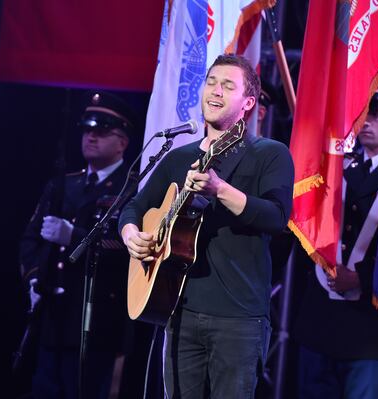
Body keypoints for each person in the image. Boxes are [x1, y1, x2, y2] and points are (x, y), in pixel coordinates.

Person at [119, 54, 294, 399]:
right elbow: (135, 207)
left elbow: (276, 217)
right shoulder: (178, 157)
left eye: (228, 86)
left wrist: (221, 189)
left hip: (238, 319)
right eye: (211, 82)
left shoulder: (269, 154)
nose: (215, 91)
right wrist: (130, 234)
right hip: (179, 310)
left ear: (247, 103)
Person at [19, 90, 137, 398]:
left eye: (101, 132)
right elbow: (31, 238)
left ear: (122, 141)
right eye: (87, 130)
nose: (91, 138)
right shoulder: (63, 184)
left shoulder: (131, 189)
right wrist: (33, 279)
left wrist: (75, 235)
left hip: (95, 319)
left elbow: (127, 248)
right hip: (51, 314)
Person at [293, 81, 378, 399]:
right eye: (362, 111)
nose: (366, 120)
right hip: (321, 323)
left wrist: (363, 278)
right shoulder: (332, 166)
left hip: (372, 328)